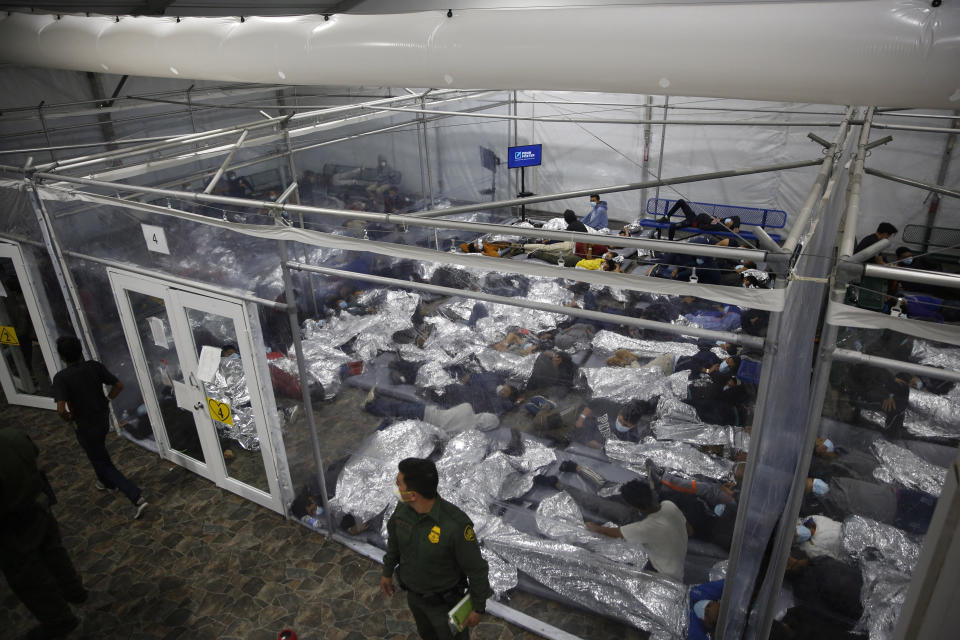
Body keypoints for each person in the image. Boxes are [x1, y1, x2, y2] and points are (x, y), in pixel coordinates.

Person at [381, 458, 493, 640]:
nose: (396, 488)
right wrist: (387, 571)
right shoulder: (402, 510)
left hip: (445, 606)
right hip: (415, 597)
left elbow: (477, 569)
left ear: (413, 494)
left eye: (398, 484)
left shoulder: (455, 526)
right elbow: (394, 542)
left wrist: (478, 607)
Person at [1, 427, 87, 640]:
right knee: (54, 552)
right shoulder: (14, 436)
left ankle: (59, 620)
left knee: (28, 575)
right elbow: (34, 453)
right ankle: (74, 590)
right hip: (37, 507)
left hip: (11, 525)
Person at [51, 336, 148, 519]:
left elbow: (61, 409)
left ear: (62, 356)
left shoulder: (61, 378)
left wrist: (69, 418)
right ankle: (105, 482)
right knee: (97, 453)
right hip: (102, 418)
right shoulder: (94, 367)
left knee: (101, 461)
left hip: (84, 424)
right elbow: (118, 385)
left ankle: (135, 496)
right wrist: (107, 399)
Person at [586, 480, 688, 580]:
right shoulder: (669, 505)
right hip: (678, 566)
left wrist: (593, 527)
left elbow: (609, 532)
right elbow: (689, 529)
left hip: (666, 576)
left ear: (634, 508)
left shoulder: (646, 528)